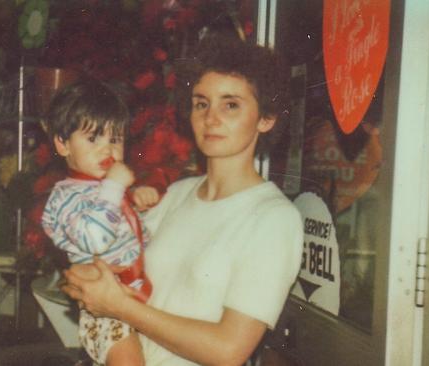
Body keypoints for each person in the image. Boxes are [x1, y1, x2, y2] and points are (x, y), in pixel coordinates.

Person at [61, 34, 303, 365]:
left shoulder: (274, 218)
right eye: (201, 103)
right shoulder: (177, 194)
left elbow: (228, 351)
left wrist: (118, 306)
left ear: (266, 118)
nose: (211, 118)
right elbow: (114, 270)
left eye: (230, 104)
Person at [41, 77, 160, 366]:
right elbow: (95, 238)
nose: (107, 150)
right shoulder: (67, 198)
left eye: (115, 139)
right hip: (104, 313)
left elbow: (132, 237)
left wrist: (140, 208)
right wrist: (115, 189)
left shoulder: (105, 190)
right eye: (93, 138)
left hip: (132, 300)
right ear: (62, 143)